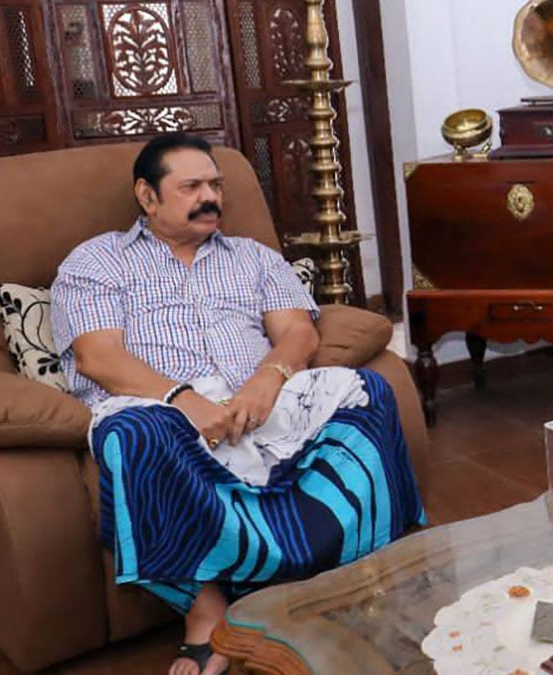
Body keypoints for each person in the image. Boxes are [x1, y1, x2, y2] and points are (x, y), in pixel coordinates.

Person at [51, 133, 424, 675]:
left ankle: (349, 574)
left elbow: (298, 332)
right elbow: (97, 356)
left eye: (216, 186)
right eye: (192, 187)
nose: (211, 198)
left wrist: (267, 381)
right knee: (130, 436)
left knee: (365, 391)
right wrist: (184, 400)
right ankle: (206, 613)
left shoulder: (253, 256)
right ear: (147, 196)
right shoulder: (98, 260)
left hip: (260, 396)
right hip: (161, 407)